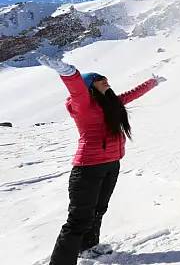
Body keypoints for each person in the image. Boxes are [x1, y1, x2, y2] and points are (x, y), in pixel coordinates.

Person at [37, 55, 165, 264]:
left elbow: (132, 94)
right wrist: (69, 73)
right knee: (78, 220)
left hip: (111, 165)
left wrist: (153, 83)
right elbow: (76, 90)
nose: (105, 79)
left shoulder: (111, 104)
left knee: (99, 210)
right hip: (88, 169)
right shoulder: (83, 105)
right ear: (89, 86)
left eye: (104, 76)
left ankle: (88, 247)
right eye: (98, 78)